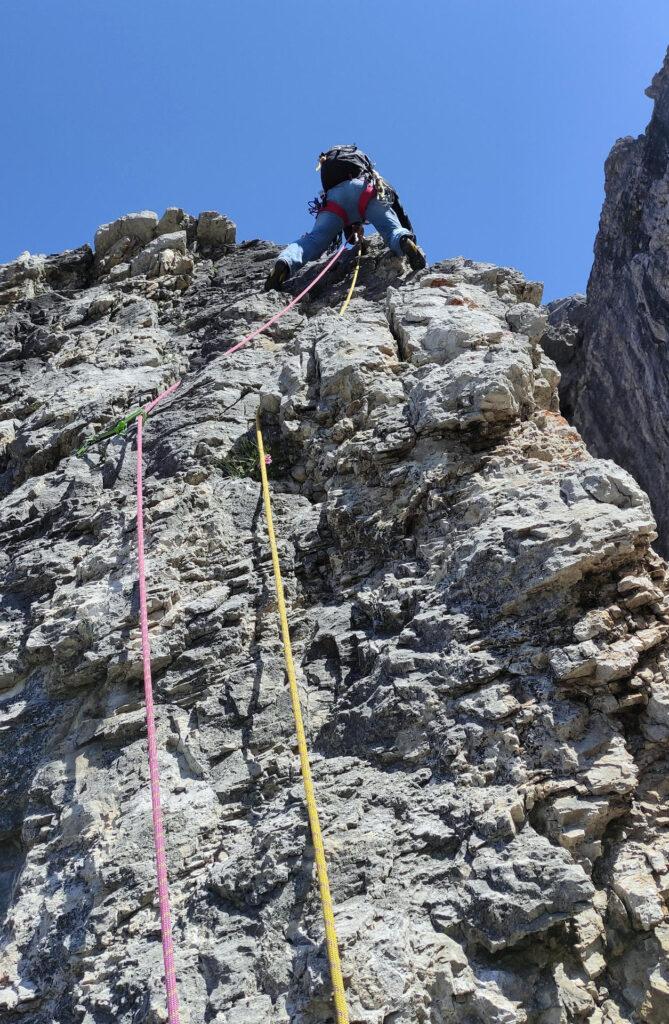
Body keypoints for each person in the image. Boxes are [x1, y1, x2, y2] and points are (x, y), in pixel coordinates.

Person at [265, 145, 426, 291]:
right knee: (392, 231)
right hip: (364, 190)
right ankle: (403, 241)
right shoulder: (373, 177)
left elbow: (349, 239)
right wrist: (409, 234)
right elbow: (397, 207)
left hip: (333, 200)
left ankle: (285, 262)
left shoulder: (333, 180)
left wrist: (356, 236)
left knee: (314, 240)